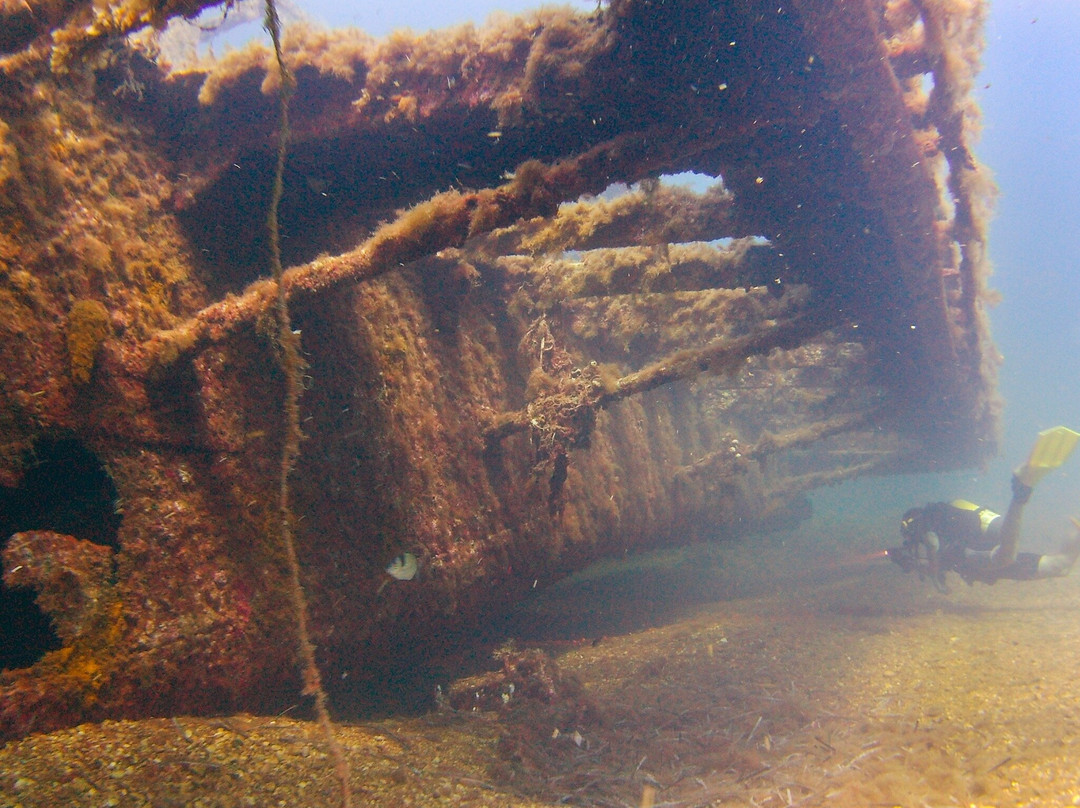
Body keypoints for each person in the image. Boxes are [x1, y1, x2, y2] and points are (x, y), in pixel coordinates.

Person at [888, 426, 1080, 592]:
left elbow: (932, 546)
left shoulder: (919, 527)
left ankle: (1021, 492)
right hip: (988, 527)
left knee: (1004, 557)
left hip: (971, 552)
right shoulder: (937, 518)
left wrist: (930, 573)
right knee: (1060, 566)